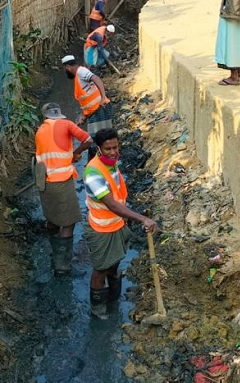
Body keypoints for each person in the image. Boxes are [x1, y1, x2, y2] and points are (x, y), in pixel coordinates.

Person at [83, 128, 157, 319]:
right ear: (99, 149)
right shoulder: (93, 173)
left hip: (116, 225)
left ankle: (114, 298)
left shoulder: (112, 165)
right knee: (100, 270)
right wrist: (142, 218)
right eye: (108, 148)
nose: (113, 152)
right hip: (101, 230)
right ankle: (97, 309)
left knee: (114, 264)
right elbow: (112, 205)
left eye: (116, 147)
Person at [34, 103, 93, 274]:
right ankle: (62, 265)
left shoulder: (39, 131)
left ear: (45, 117)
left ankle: (54, 251)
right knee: (68, 222)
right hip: (62, 181)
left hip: (44, 182)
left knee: (53, 218)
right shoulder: (66, 124)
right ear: (58, 115)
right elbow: (88, 140)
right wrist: (76, 153)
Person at [62, 55, 112, 137]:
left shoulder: (81, 71)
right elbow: (87, 100)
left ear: (67, 67)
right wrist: (84, 116)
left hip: (99, 110)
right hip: (95, 112)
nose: (65, 71)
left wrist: (103, 98)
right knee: (101, 139)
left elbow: (96, 78)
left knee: (99, 140)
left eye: (65, 69)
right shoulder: (79, 76)